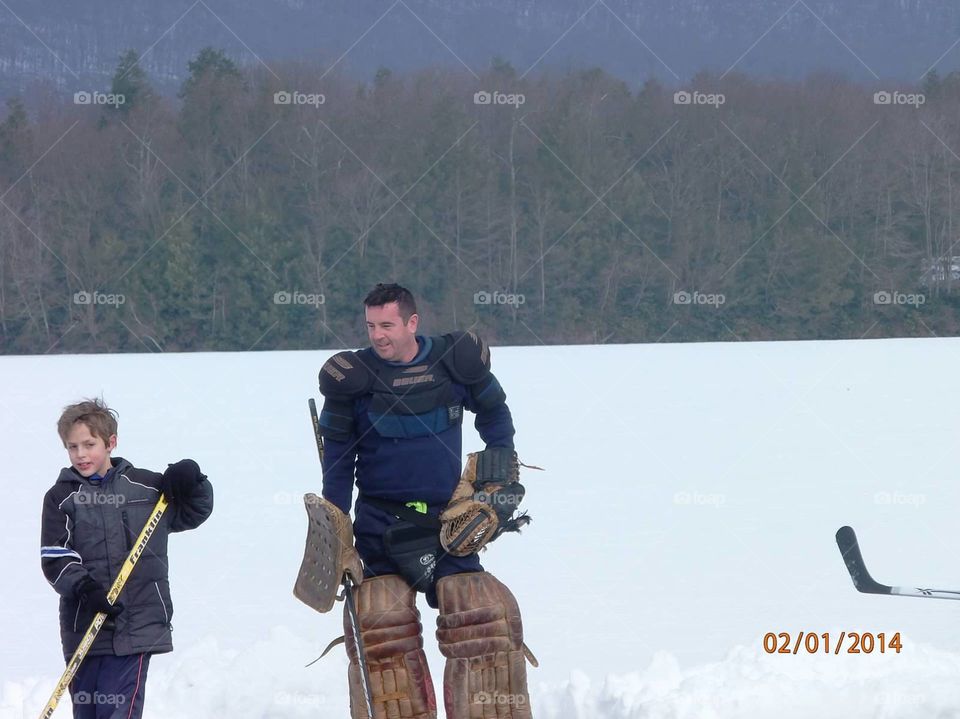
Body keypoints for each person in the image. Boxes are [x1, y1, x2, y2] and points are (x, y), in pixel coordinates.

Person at [317, 283, 533, 719]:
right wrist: (337, 530)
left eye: (387, 325)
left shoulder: (454, 363)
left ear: (412, 322)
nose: (377, 335)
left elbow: (495, 415)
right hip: (380, 523)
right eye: (371, 325)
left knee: (479, 617)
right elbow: (338, 460)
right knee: (383, 630)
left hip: (449, 523)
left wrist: (494, 482)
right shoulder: (353, 380)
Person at [40, 398, 213, 719]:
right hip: (84, 628)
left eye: (89, 444)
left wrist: (193, 477)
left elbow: (194, 510)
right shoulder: (61, 497)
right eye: (72, 447)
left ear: (111, 443)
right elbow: (55, 556)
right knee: (89, 712)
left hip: (136, 628)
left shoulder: (147, 488)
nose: (81, 454)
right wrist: (86, 590)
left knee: (119, 712)